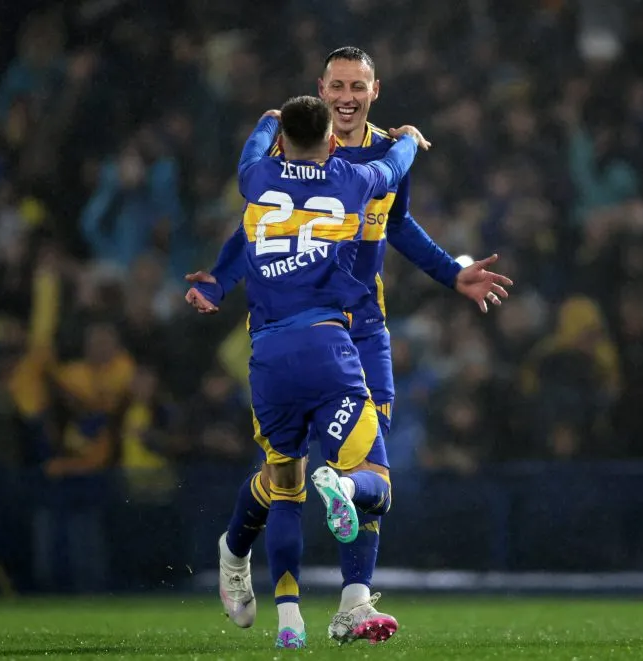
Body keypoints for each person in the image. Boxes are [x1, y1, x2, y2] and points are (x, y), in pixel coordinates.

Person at [185, 47, 512, 645]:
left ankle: (353, 604)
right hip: (295, 320)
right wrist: (222, 280)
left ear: (374, 90)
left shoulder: (383, 151)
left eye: (356, 86)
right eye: (336, 85)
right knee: (287, 472)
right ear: (321, 87)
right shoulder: (302, 143)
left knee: (365, 463)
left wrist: (450, 273)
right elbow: (252, 224)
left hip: (363, 329)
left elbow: (400, 223)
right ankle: (240, 557)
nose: (345, 96)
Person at [190, 95, 424, 649]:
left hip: (268, 358)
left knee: (284, 485)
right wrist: (411, 137)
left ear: (279, 140)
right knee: (377, 480)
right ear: (330, 141)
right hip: (328, 348)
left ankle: (288, 621)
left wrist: (268, 119)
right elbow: (394, 166)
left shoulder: (255, 174)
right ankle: (342, 484)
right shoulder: (349, 180)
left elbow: (253, 145)